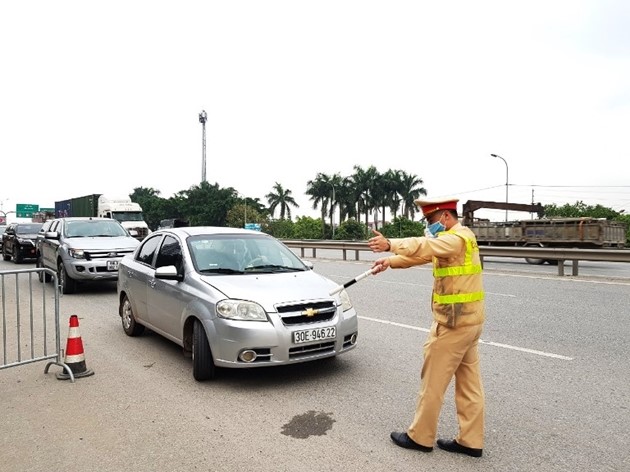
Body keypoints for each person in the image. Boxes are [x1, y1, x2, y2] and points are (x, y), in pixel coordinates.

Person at [367, 197, 485, 458]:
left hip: (453, 325)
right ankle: (470, 440)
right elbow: (424, 255)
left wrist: (390, 244)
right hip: (470, 323)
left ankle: (420, 437)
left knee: (432, 383)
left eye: (431, 220)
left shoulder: (456, 238)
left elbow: (425, 245)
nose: (429, 226)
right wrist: (389, 261)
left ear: (445, 216)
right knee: (469, 386)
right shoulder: (461, 238)